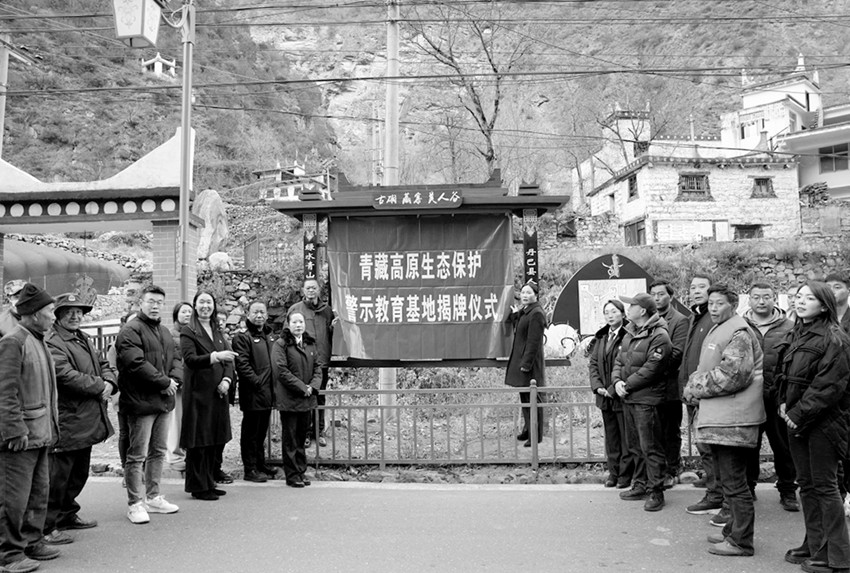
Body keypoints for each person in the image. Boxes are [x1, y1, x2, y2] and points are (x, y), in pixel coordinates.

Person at [683, 284, 765, 557]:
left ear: (734, 305)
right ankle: (732, 531)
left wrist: (695, 385)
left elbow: (733, 375)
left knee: (735, 484)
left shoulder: (739, 332)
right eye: (711, 303)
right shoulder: (721, 329)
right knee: (729, 482)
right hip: (722, 418)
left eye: (719, 303)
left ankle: (741, 541)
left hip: (734, 420)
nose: (713, 308)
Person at [778, 282, 850, 572]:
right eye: (798, 296)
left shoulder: (835, 338)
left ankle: (839, 556)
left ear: (823, 305)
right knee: (807, 485)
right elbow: (787, 375)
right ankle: (816, 543)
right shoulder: (798, 332)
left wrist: (798, 412)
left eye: (809, 298)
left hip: (824, 423)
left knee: (825, 486)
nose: (801, 301)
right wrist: (783, 402)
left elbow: (829, 385)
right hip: (798, 419)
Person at [42, 294, 116, 546]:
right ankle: (47, 526)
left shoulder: (82, 337)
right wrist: (100, 385)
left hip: (85, 419)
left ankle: (66, 514)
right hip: (68, 419)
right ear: (58, 315)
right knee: (58, 477)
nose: (75, 316)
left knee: (78, 474)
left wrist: (110, 382)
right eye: (69, 312)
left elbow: (103, 362)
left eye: (79, 312)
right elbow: (65, 375)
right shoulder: (53, 341)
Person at [0, 283, 60, 571]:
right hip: (21, 437)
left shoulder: (38, 340)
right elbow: (4, 391)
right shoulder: (13, 342)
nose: (54, 317)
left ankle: (31, 541)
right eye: (51, 311)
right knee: (13, 499)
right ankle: (8, 554)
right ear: (35, 314)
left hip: (40, 434)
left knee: (37, 494)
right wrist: (14, 429)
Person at [115, 285, 181, 524]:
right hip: (140, 402)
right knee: (137, 455)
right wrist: (164, 382)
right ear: (140, 303)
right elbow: (135, 364)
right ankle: (135, 503)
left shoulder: (164, 332)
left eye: (159, 302)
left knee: (158, 452)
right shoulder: (130, 330)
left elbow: (176, 360)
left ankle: (153, 497)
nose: (155, 306)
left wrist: (174, 381)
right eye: (151, 301)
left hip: (164, 401)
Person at [611, 292, 672, 512]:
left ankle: (656, 490)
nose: (628, 309)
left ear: (643, 310)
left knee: (650, 447)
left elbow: (652, 369)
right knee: (635, 446)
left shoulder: (659, 335)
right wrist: (617, 381)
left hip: (647, 399)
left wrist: (626, 385)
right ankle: (640, 484)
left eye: (631, 306)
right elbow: (619, 361)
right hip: (629, 397)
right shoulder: (630, 332)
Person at [742, 282, 798, 512]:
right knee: (748, 446)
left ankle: (788, 490)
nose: (761, 301)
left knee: (783, 446)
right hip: (748, 397)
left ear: (774, 298)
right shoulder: (741, 326)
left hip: (778, 397)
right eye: (756, 297)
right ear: (749, 300)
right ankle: (748, 488)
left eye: (766, 296)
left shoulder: (790, 327)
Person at [180, 291, 236, 501]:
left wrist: (227, 380)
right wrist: (215, 356)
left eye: (209, 302)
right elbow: (190, 359)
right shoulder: (189, 331)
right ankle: (198, 486)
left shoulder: (217, 329)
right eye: (201, 302)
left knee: (214, 439)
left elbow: (229, 358)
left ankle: (209, 481)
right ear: (195, 305)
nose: (205, 306)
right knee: (199, 441)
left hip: (218, 393)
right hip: (198, 393)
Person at [680, 273, 725, 515]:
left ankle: (717, 494)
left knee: (708, 445)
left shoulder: (714, 319)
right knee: (703, 444)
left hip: (706, 393)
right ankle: (714, 484)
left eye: (701, 287)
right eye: (693, 287)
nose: (696, 291)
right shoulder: (695, 317)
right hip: (693, 392)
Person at [272, 311, 322, 487]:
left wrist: (312, 387)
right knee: (290, 439)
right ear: (288, 324)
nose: (298, 325)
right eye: (294, 322)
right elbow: (281, 370)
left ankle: (301, 471)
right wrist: (302, 387)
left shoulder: (310, 344)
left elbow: (318, 368)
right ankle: (292, 475)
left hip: (307, 399)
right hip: (290, 399)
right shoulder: (281, 344)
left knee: (301, 437)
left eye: (301, 322)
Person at [588, 299, 633, 488]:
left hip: (620, 394)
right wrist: (598, 386)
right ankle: (613, 472)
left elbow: (627, 364)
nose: (610, 315)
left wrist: (613, 388)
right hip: (604, 395)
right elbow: (593, 363)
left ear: (622, 313)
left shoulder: (628, 335)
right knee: (611, 437)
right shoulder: (601, 337)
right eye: (607, 312)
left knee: (625, 437)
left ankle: (625, 474)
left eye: (614, 311)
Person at [649, 280, 689, 489]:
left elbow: (677, 352)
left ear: (670, 296)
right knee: (654, 430)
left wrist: (651, 369)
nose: (656, 298)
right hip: (650, 386)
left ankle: (672, 468)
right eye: (653, 294)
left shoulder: (679, 320)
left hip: (670, 384)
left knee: (670, 430)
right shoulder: (649, 319)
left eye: (661, 294)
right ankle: (658, 469)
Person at [232, 301, 277, 483]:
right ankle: (249, 468)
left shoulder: (269, 335)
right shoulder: (242, 337)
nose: (259, 315)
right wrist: (257, 382)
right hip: (253, 392)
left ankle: (260, 463)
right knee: (250, 432)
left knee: (261, 431)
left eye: (262, 312)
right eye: (255, 312)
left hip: (268, 392)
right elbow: (242, 365)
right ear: (248, 314)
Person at [287, 278, 334, 448]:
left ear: (319, 290)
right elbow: (287, 334)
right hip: (302, 361)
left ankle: (319, 431)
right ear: (303, 290)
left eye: (314, 288)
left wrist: (334, 328)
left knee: (320, 396)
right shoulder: (295, 309)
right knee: (305, 395)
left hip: (321, 361)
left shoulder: (327, 311)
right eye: (308, 288)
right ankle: (305, 432)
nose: (311, 291)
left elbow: (332, 334)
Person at [504, 280, 547, 447]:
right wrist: (516, 313)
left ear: (536, 295)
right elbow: (517, 322)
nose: (525, 295)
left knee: (534, 399)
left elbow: (533, 342)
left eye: (529, 292)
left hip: (530, 365)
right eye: (523, 292)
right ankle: (528, 430)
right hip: (523, 362)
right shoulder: (526, 311)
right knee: (525, 398)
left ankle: (536, 435)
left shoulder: (536, 313)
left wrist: (526, 364)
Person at [165, 302, 192, 472]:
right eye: (184, 311)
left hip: (192, 385)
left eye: (190, 311)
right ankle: (174, 456)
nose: (187, 314)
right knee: (176, 421)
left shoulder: (194, 333)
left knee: (188, 420)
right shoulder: (170, 335)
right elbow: (173, 360)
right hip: (179, 384)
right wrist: (177, 379)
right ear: (176, 315)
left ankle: (186, 453)